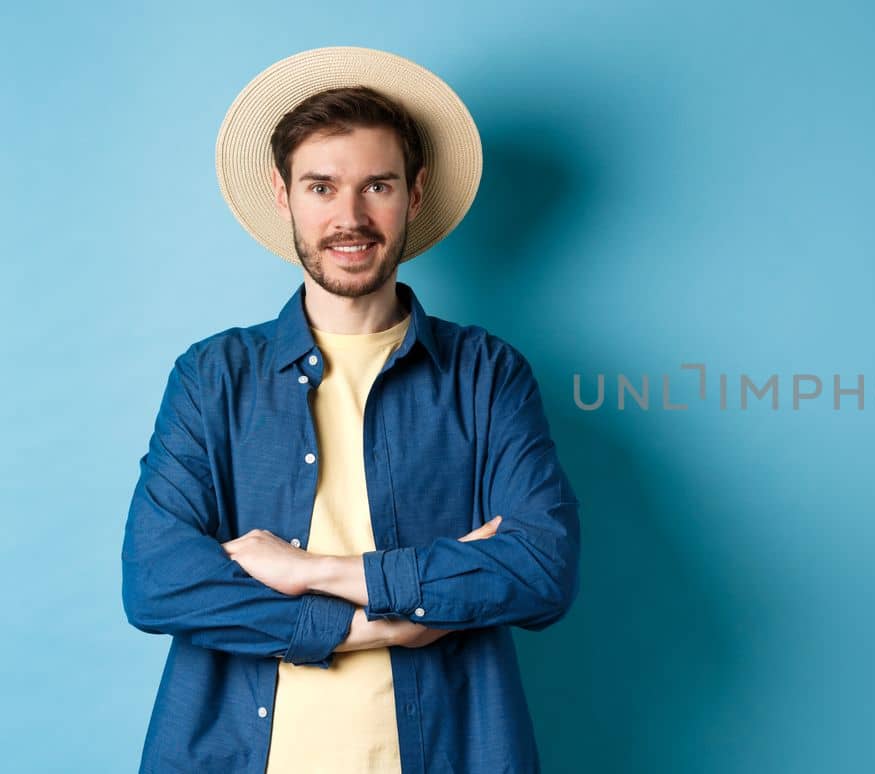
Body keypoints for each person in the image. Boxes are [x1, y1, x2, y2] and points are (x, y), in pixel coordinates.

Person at [121, 46, 580, 773]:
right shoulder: (214, 376)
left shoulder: (487, 374)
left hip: (447, 751)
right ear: (284, 196)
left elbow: (539, 570)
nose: (350, 217)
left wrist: (311, 569)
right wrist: (381, 625)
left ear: (415, 194)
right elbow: (157, 583)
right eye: (322, 187)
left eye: (378, 186)